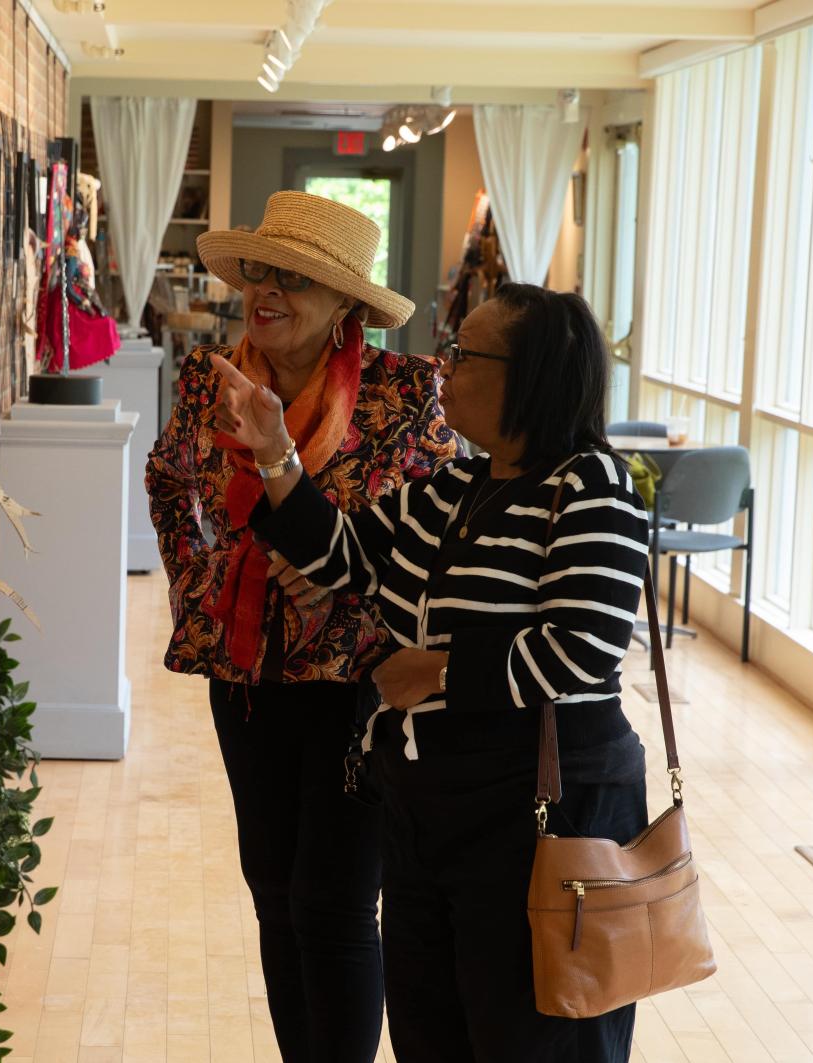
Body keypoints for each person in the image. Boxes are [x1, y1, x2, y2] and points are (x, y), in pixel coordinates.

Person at [212, 283, 649, 1062]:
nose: (442, 369)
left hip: (539, 816)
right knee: (430, 1033)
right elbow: (340, 554)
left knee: (533, 1037)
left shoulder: (592, 489)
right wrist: (275, 448)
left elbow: (584, 647)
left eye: (464, 355)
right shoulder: (455, 488)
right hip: (426, 813)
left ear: (531, 374)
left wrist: (438, 673)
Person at [147, 190, 459, 1063]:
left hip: (356, 685)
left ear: (346, 308)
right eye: (262, 275)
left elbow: (438, 533)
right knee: (274, 892)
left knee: (334, 900)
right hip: (245, 680)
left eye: (296, 280)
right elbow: (172, 485)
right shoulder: (219, 386)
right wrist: (206, 580)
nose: (268, 293)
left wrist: (345, 585)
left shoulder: (401, 396)